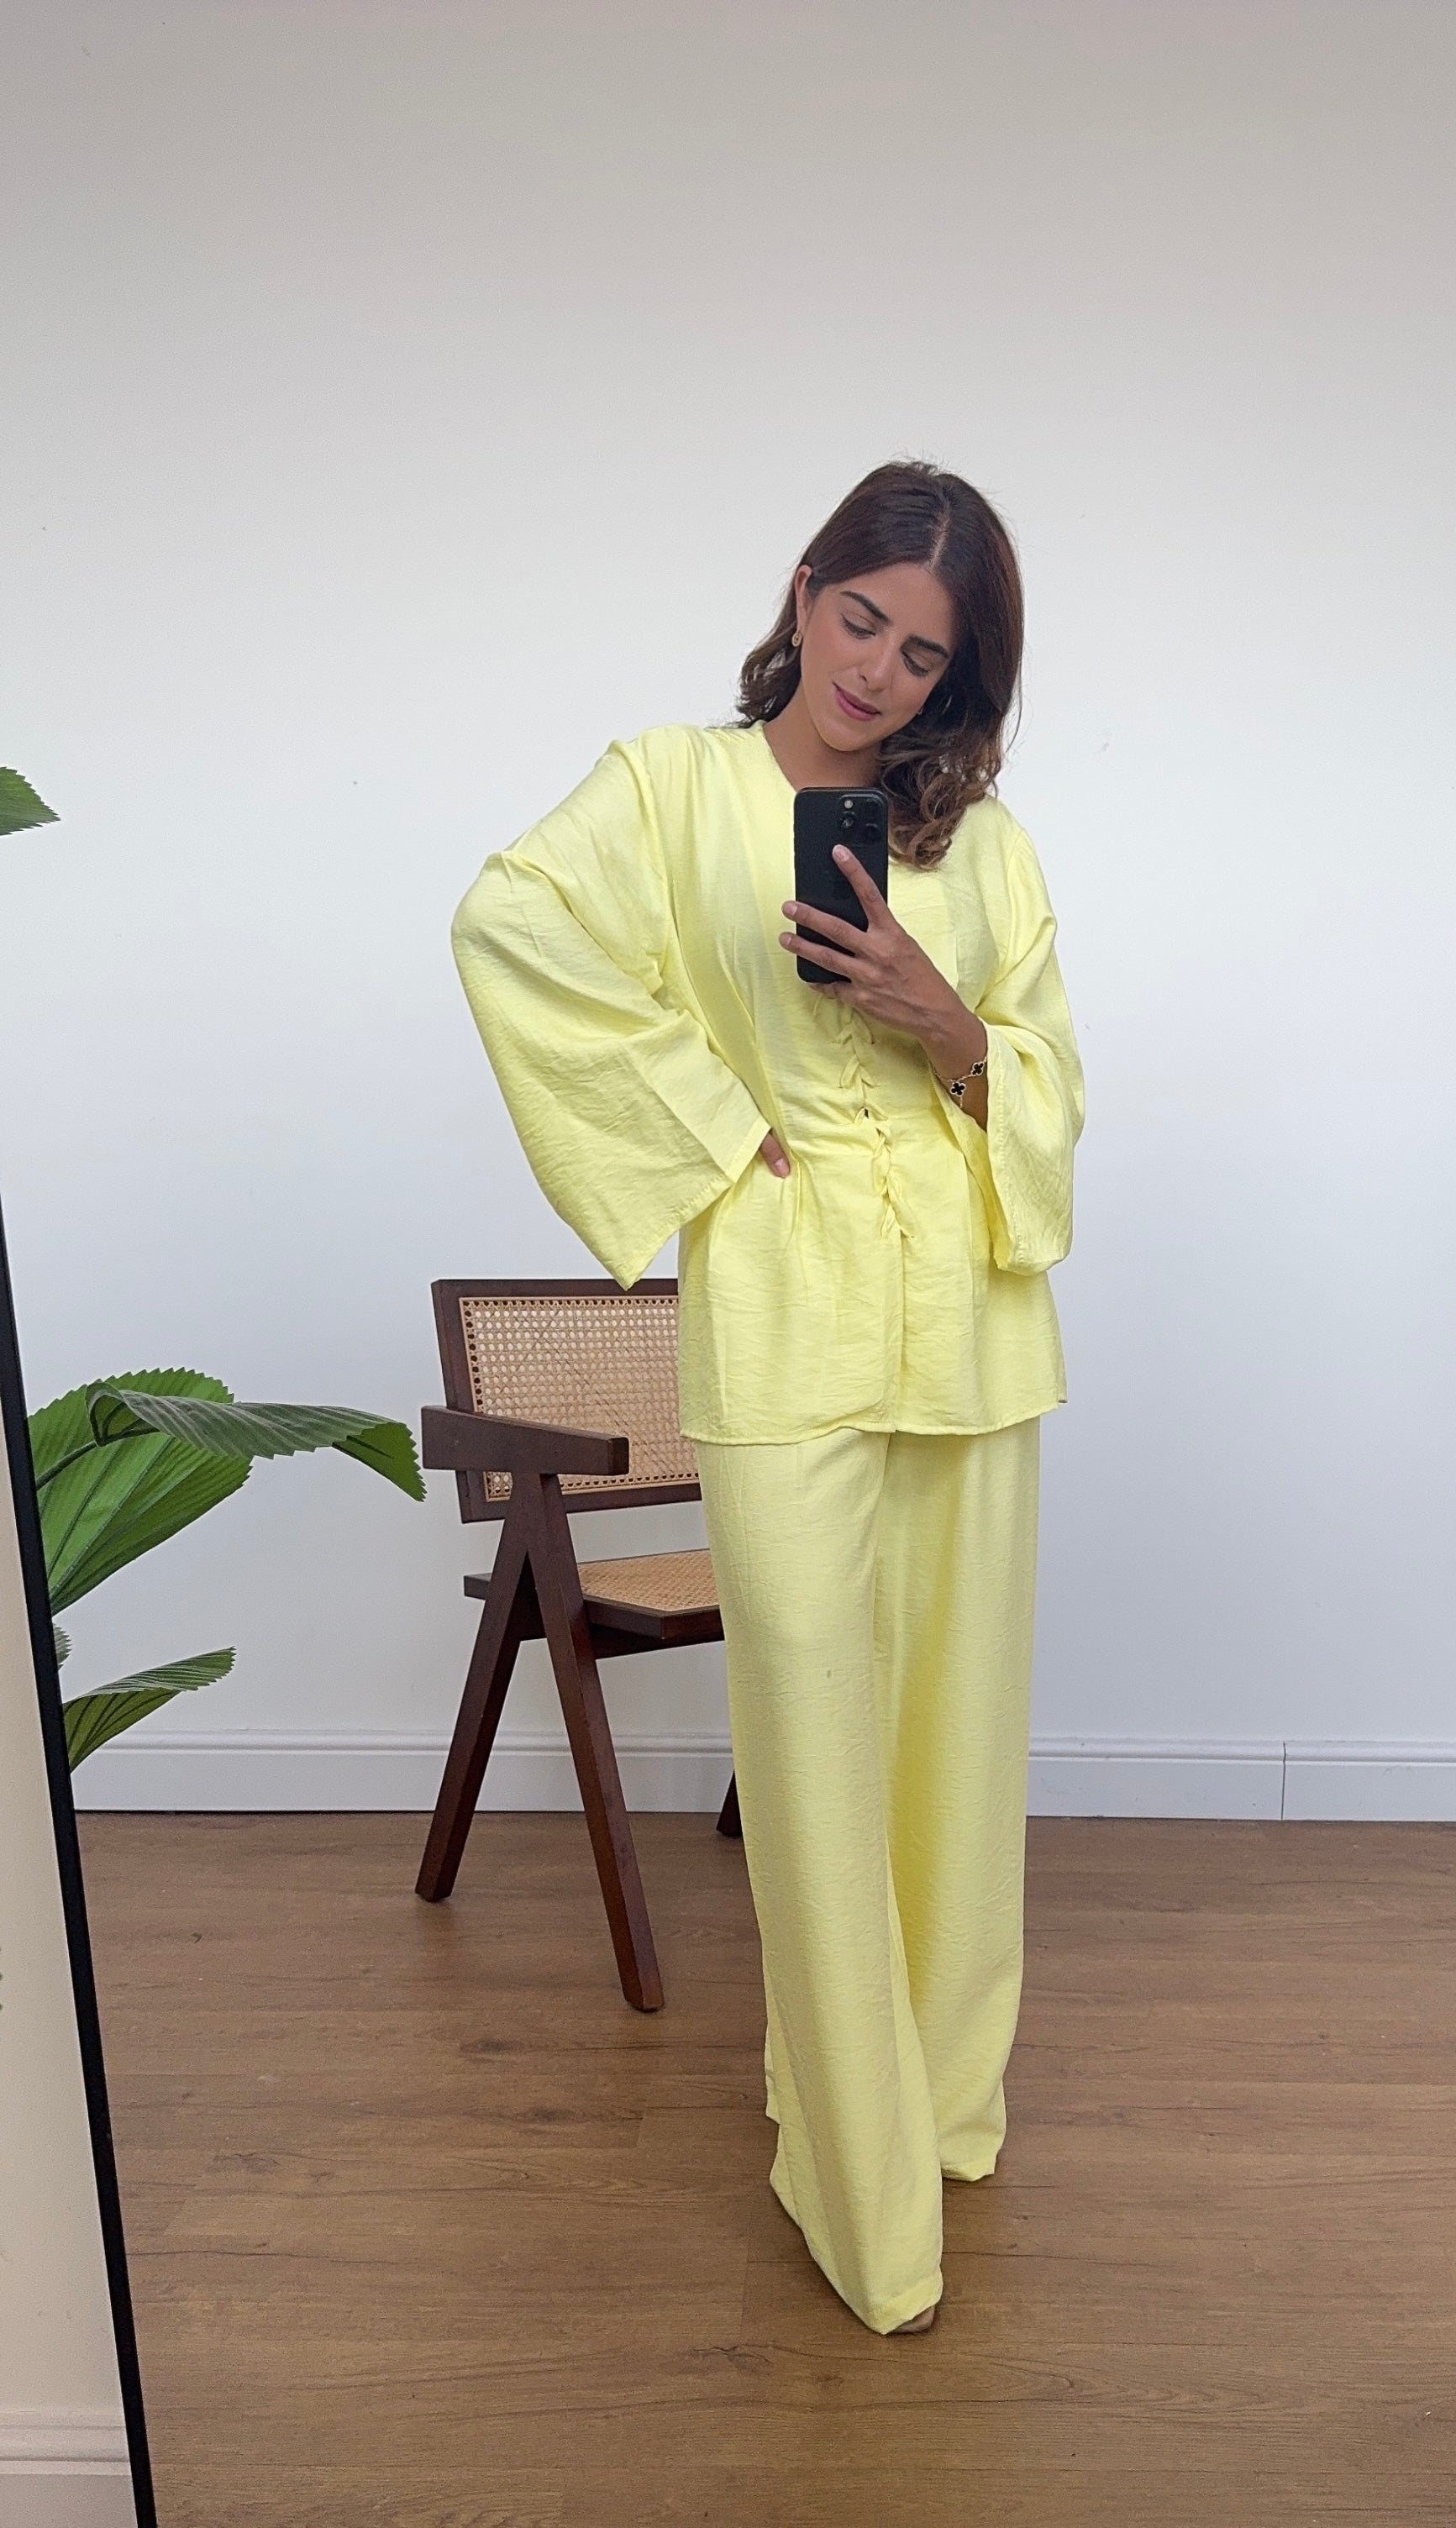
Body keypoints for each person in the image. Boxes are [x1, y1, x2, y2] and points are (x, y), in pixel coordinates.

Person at [451, 460, 1084, 2336]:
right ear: (803, 590)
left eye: (924, 654)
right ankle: (856, 2173)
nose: (876, 669)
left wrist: (945, 1024)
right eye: (859, 618)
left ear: (961, 680)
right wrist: (715, 1132)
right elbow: (505, 923)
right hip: (785, 1323)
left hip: (968, 1325)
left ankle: (940, 2102)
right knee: (812, 1749)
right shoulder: (668, 787)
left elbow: (1046, 1066)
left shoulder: (983, 845)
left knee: (953, 1745)